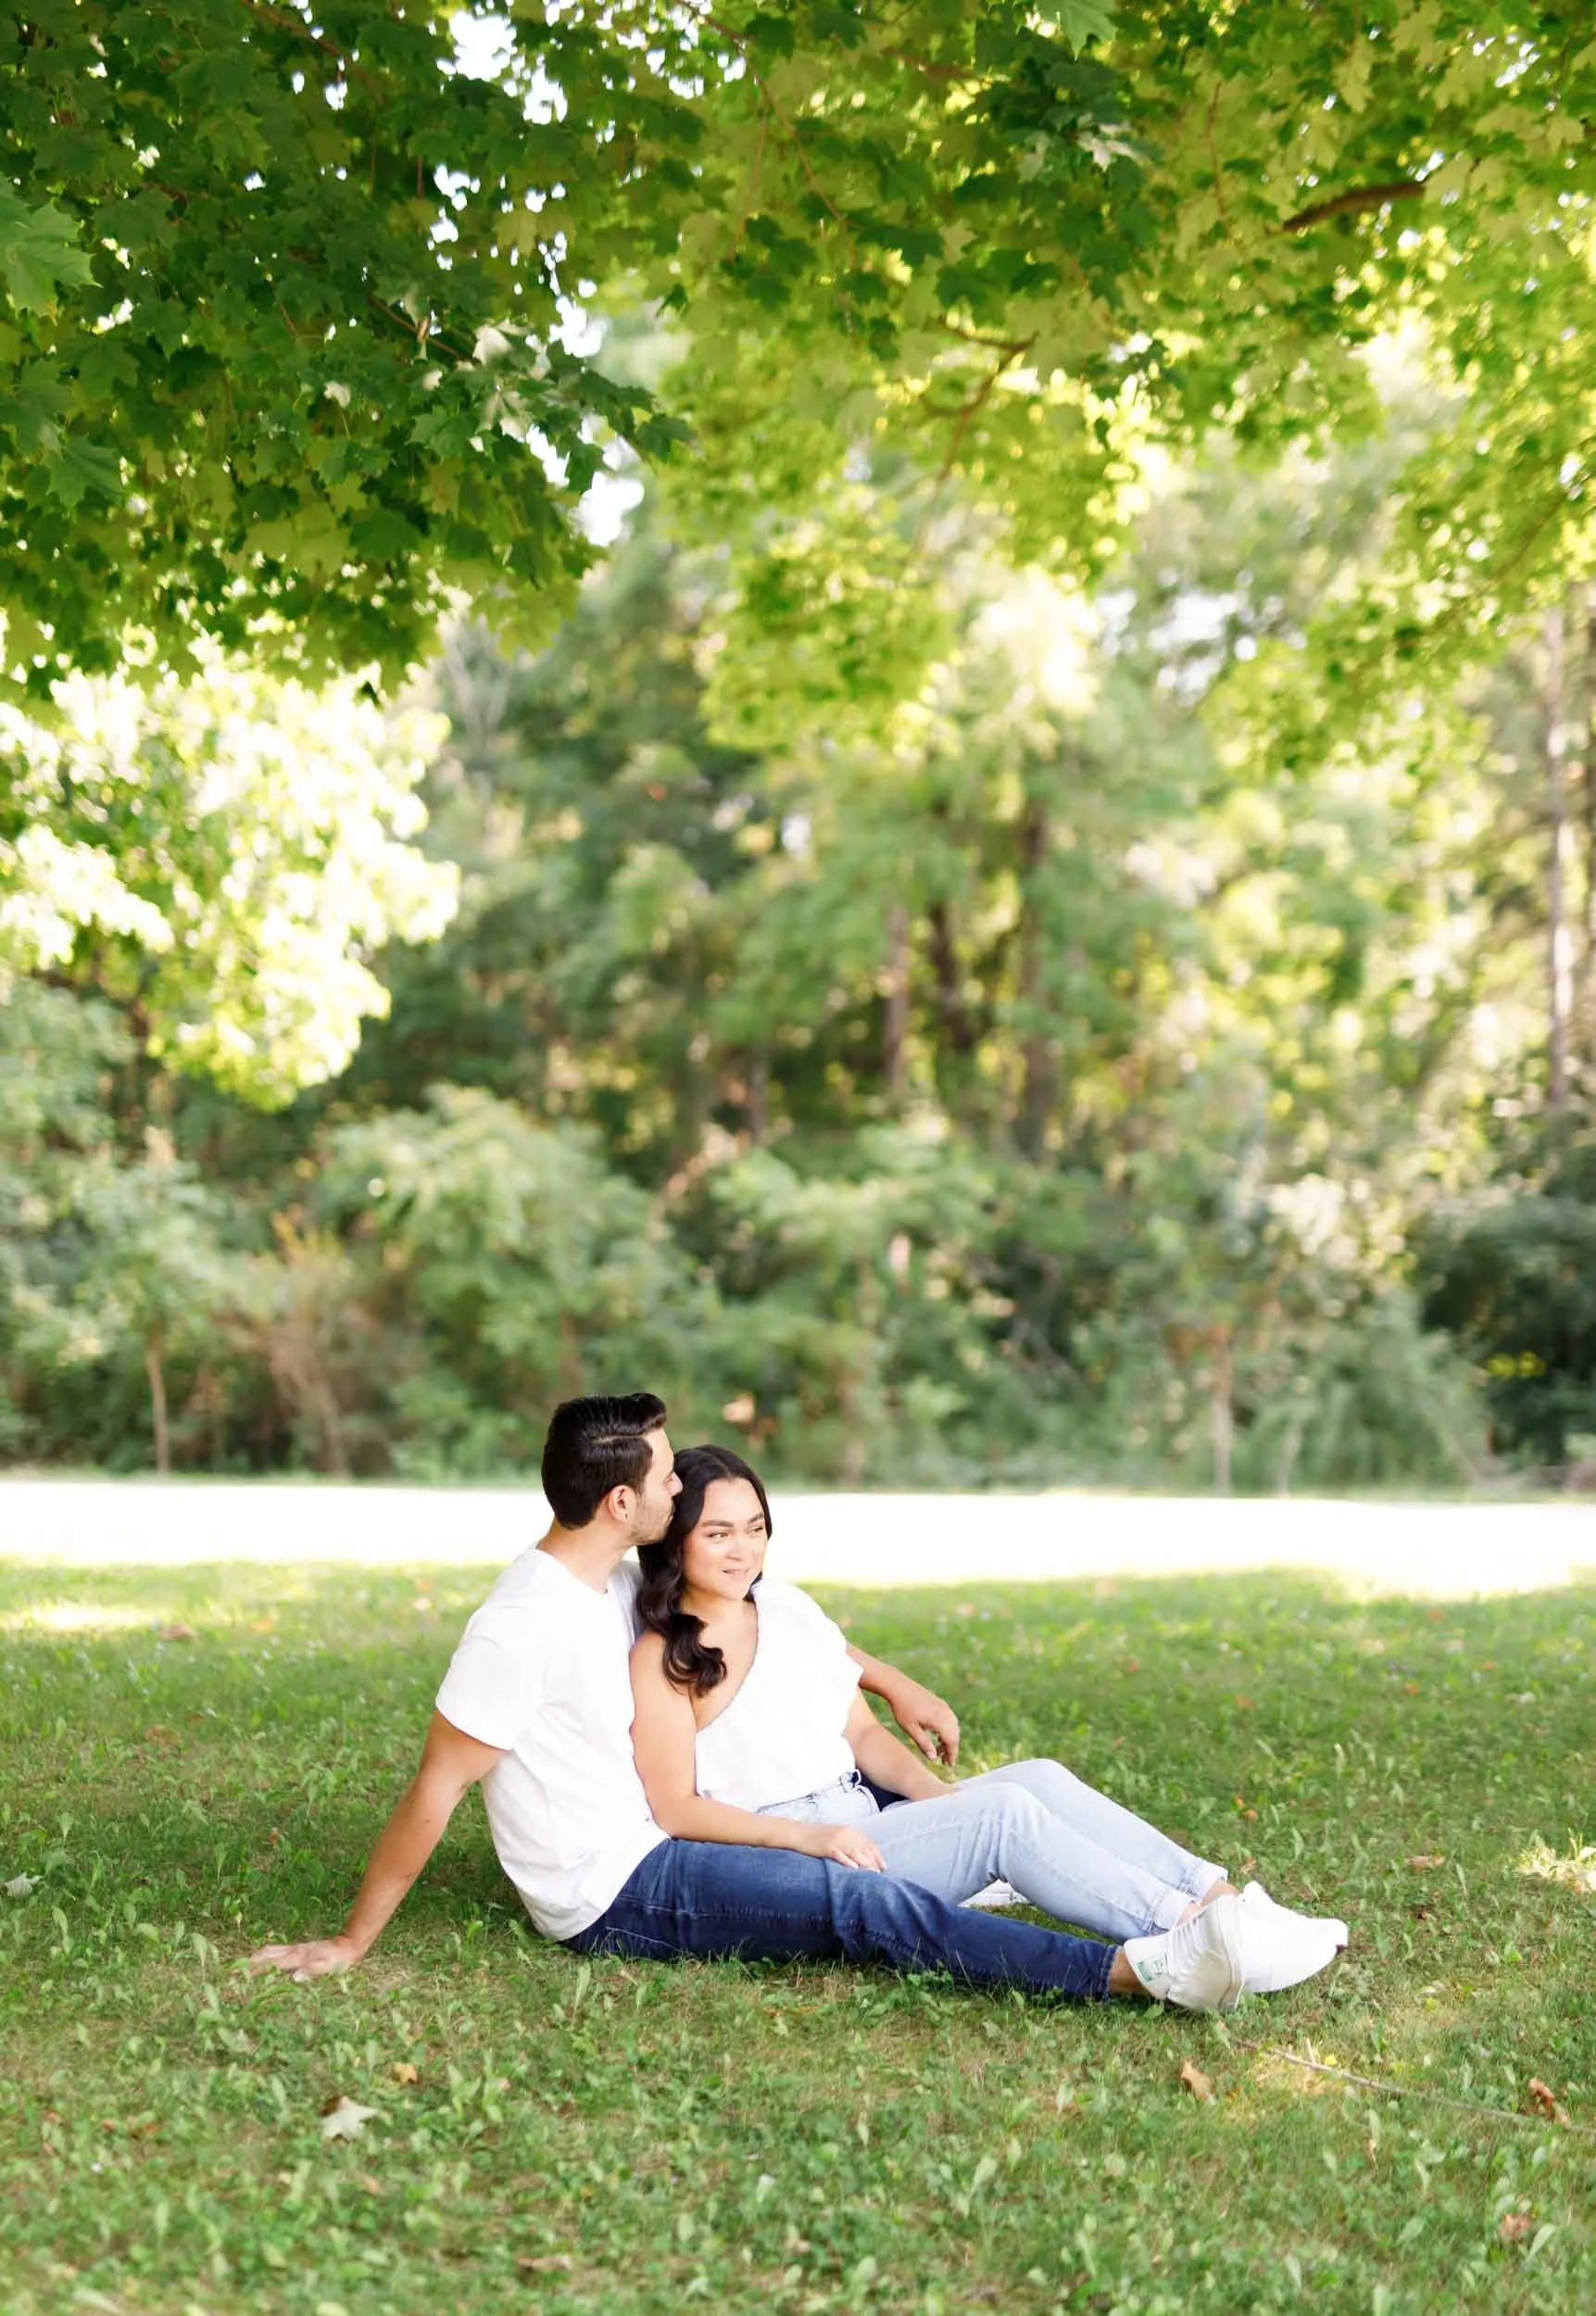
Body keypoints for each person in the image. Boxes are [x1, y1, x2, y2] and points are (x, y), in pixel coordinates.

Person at [251, 1392, 1274, 2011]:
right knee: (861, 1902)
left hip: (675, 1839)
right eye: (662, 1478)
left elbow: (760, 1611)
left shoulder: (607, 1573)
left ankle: (1189, 1914)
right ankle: (1132, 1973)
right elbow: (435, 1788)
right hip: (615, 1888)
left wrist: (876, 1673)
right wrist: (350, 1942)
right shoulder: (519, 1623)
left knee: (927, 1841)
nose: (676, 1490)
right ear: (620, 1504)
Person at [628, 1443, 1348, 1999]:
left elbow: (865, 1737)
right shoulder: (665, 1654)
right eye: (718, 1534)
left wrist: (940, 1800)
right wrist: (807, 1836)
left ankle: (1221, 1898)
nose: (743, 1549)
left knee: (1035, 1778)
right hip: (803, 1855)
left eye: (754, 1528)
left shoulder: (784, 1608)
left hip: (862, 1820)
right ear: (676, 1541)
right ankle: (1185, 1930)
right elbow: (674, 1807)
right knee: (1001, 1813)